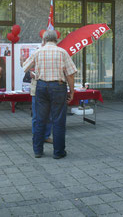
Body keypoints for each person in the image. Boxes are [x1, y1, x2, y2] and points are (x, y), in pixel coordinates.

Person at [23, 30, 77, 159]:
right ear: (56, 40)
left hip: (41, 87)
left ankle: (38, 151)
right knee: (58, 120)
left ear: (44, 40)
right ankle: (58, 152)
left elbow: (25, 67)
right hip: (58, 87)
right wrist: (72, 91)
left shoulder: (38, 52)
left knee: (40, 120)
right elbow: (70, 74)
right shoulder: (63, 52)